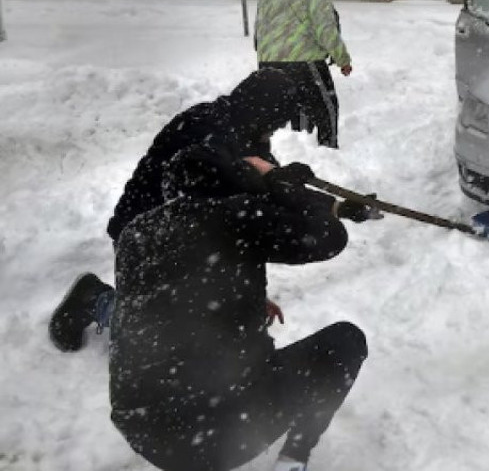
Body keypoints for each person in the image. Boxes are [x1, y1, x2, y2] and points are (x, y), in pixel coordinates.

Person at [110, 145, 369, 471]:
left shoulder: (136, 233)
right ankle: (293, 460)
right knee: (345, 341)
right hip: (224, 432)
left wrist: (241, 295)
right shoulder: (235, 215)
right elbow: (330, 237)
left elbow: (157, 294)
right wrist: (286, 190)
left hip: (143, 428)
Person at [48, 69, 303, 352]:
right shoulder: (207, 131)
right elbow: (219, 217)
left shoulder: (244, 131)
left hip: (184, 236)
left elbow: (264, 196)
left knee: (215, 322)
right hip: (143, 236)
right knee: (173, 339)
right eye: (274, 124)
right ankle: (95, 299)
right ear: (263, 113)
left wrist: (332, 205)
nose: (273, 132)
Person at [255, 0, 352, 149]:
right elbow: (324, 26)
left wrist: (265, 54)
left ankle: (298, 152)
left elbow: (261, 24)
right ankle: (329, 155)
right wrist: (342, 58)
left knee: (294, 109)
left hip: (269, 62)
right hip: (304, 61)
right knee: (326, 108)